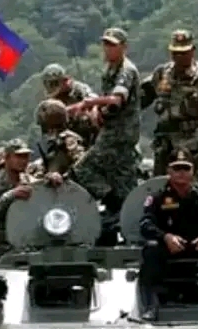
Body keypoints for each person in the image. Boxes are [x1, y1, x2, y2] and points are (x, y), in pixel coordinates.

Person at [138, 149, 198, 322]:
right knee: (151, 250)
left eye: (186, 168)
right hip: (168, 247)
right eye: (177, 168)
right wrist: (165, 237)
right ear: (169, 171)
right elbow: (146, 224)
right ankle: (151, 306)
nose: (181, 172)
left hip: (196, 245)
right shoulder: (158, 197)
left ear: (192, 170)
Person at [69, 28, 141, 240]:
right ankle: (125, 217)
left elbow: (117, 99)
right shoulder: (110, 68)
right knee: (124, 180)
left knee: (81, 170)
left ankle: (112, 201)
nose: (108, 49)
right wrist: (97, 111)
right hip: (114, 131)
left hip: (118, 134)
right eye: (106, 44)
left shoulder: (126, 70)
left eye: (113, 45)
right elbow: (109, 104)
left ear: (124, 47)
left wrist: (89, 103)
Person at [140, 30, 198, 188]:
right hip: (165, 141)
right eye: (176, 53)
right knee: (160, 186)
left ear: (192, 51)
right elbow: (142, 96)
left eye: (184, 53)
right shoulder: (162, 73)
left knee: (196, 187)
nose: (179, 57)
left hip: (193, 142)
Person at [0, 138, 48, 254]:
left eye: (26, 156)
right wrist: (11, 195)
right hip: (3, 243)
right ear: (7, 158)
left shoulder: (28, 180)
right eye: (19, 156)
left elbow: (42, 189)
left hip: (29, 240)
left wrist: (51, 180)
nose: (23, 161)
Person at [40, 63, 99, 147]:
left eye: (55, 83)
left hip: (86, 129)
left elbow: (94, 100)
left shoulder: (78, 89)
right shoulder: (52, 99)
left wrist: (76, 108)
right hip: (66, 136)